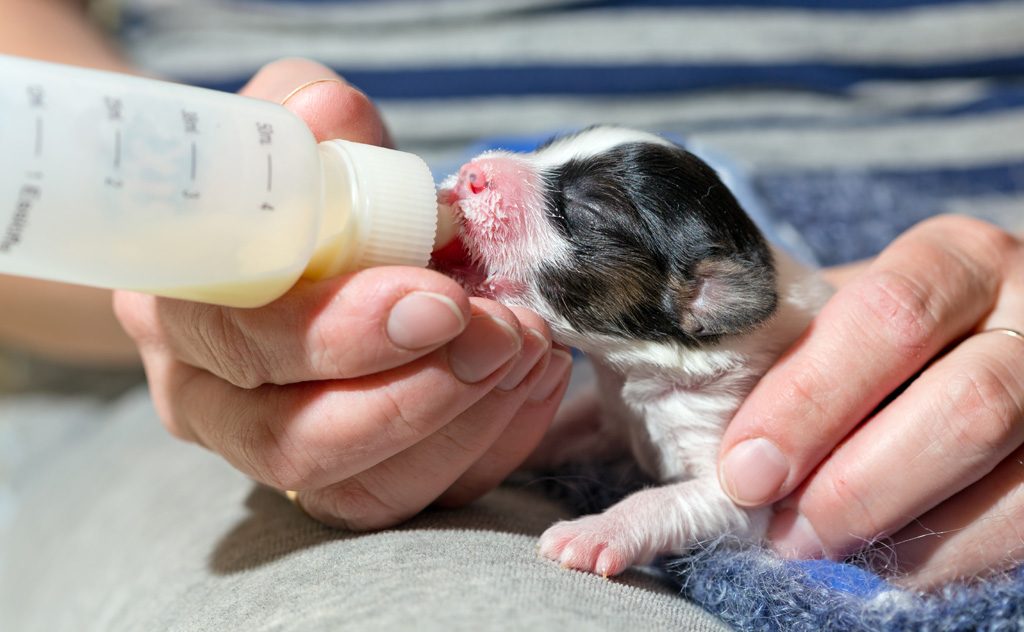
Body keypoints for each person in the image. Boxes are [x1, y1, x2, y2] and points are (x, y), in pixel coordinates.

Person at [1, 0, 1022, 625]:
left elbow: (726, 490)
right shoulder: (645, 340)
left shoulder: (727, 352)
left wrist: (624, 520)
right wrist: (161, 235)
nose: (489, 175)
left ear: (704, 299)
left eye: (572, 202)